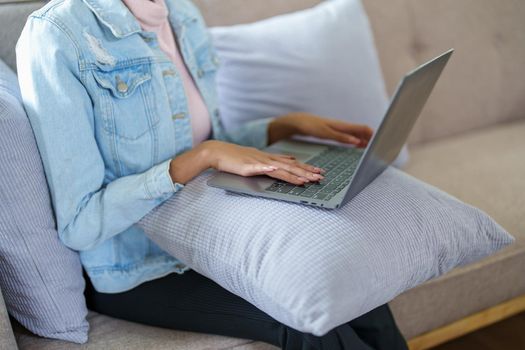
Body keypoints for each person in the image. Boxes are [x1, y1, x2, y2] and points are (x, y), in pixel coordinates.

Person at [16, 0, 408, 348]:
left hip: (212, 235)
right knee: (306, 326)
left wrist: (285, 126)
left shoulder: (182, 14)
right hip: (135, 270)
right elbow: (81, 222)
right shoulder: (57, 35)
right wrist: (203, 157)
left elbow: (211, 145)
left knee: (351, 282)